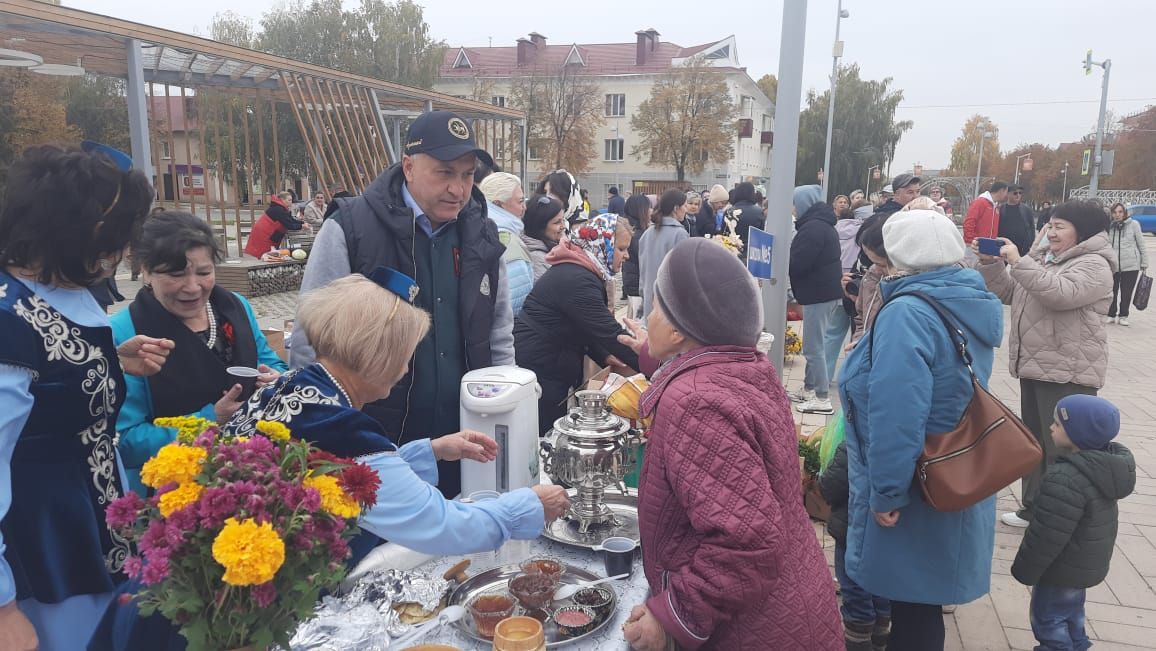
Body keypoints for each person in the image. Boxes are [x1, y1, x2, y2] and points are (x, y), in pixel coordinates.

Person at [91, 273, 571, 650]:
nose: (407, 370)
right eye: (406, 356)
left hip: (171, 588)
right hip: (216, 616)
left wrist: (430, 450)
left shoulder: (296, 384)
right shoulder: (343, 429)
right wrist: (527, 506)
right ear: (382, 358)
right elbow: (441, 524)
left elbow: (347, 478)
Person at [620, 239, 842, 651]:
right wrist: (652, 356)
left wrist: (672, 616)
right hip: (791, 601)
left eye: (654, 307)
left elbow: (746, 543)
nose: (647, 317)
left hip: (755, 629)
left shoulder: (694, 404)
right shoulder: (745, 366)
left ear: (677, 330)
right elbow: (702, 363)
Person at [289, 110, 515, 500]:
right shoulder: (351, 227)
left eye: (467, 175)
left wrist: (506, 409)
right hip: (374, 444)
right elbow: (310, 339)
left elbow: (499, 333)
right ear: (408, 167)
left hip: (466, 442)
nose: (458, 189)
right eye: (445, 173)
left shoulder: (483, 233)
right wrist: (330, 429)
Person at [0, 145, 174, 650]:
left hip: (98, 525)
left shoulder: (69, 286)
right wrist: (4, 605)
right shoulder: (7, 322)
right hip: (43, 554)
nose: (119, 255)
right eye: (114, 239)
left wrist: (110, 361)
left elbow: (51, 385)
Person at [838, 210, 1003, 650]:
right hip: (951, 466)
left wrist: (888, 492)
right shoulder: (963, 296)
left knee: (912, 609)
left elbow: (898, 412)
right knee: (922, 604)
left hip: (917, 482)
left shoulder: (908, 312)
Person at [111, 212, 288, 494]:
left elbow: (268, 361)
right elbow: (126, 441)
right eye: (176, 274)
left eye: (204, 273)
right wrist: (210, 420)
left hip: (252, 480)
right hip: (172, 498)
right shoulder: (123, 333)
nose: (193, 287)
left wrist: (276, 378)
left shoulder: (235, 307)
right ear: (145, 271)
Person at [973, 200, 1114, 528]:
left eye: (1060, 226)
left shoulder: (1095, 264)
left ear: (1084, 232)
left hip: (1069, 368)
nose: (1051, 232)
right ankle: (1033, 508)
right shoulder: (1043, 258)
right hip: (1035, 364)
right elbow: (1008, 292)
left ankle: (1063, 517)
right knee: (1035, 441)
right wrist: (991, 264)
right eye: (1049, 225)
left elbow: (1061, 294)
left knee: (1064, 446)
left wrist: (1020, 262)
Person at [1011, 395, 1135, 651]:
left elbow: (1046, 536)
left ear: (1078, 435)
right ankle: (1077, 645)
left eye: (1058, 424)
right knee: (1071, 614)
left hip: (1059, 570)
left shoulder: (1064, 478)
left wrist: (1025, 569)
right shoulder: (1105, 468)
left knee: (1048, 619)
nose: (1051, 428)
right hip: (1082, 567)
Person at [514, 221, 639, 435]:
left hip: (550, 359)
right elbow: (609, 333)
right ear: (601, 245)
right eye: (621, 249)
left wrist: (603, 354)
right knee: (543, 432)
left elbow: (583, 324)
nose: (626, 256)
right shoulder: (578, 278)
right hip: (542, 363)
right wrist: (652, 364)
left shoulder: (581, 271)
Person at [820, 442, 891, 651]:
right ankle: (879, 641)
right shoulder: (902, 445)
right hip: (886, 535)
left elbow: (830, 486)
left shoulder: (857, 441)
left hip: (852, 533)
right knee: (881, 593)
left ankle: (858, 643)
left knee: (856, 595)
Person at [788, 185, 843, 415]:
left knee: (813, 346)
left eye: (794, 203)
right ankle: (809, 388)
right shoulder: (821, 225)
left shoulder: (812, 229)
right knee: (815, 343)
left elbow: (799, 262)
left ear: (803, 204)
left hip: (818, 295)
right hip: (824, 293)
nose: (792, 208)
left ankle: (821, 398)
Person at [480, 172, 533, 314]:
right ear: (498, 204)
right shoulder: (506, 241)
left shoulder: (480, 229)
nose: (524, 208)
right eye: (520, 201)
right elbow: (516, 301)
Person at [638, 190, 690, 320]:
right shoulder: (679, 234)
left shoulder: (647, 233)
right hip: (669, 303)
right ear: (676, 208)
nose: (686, 209)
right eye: (684, 205)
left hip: (649, 298)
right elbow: (683, 273)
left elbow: (642, 269)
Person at [1107, 201, 1148, 325]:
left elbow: (1141, 244)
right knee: (1112, 291)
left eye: (1120, 212)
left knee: (1126, 292)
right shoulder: (1110, 226)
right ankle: (1111, 314)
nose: (1117, 215)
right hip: (1113, 265)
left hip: (1131, 265)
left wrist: (1144, 262)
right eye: (1115, 212)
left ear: (1125, 212)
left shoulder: (1134, 224)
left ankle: (1124, 315)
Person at [243, 191, 306, 258]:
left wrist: (302, 223)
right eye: (289, 200)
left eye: (291, 200)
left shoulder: (281, 208)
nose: (291, 202)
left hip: (269, 234)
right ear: (282, 200)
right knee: (265, 254)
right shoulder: (279, 209)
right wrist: (302, 226)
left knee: (268, 255)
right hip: (265, 235)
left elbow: (290, 220)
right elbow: (289, 224)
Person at [521, 194, 567, 283]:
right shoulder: (537, 259)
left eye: (563, 220)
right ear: (540, 227)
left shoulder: (554, 247)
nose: (563, 226)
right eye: (557, 222)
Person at [620, 194, 651, 319]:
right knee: (638, 322)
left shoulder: (631, 229)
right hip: (637, 285)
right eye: (649, 208)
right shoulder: (638, 235)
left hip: (632, 283)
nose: (651, 211)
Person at [729, 181, 766, 254]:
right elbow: (761, 234)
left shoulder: (729, 211)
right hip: (752, 251)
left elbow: (724, 233)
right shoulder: (759, 212)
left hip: (733, 250)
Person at [999, 185, 1036, 256]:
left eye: (1020, 193)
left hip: (1022, 249)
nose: (1018, 195)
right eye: (1015, 193)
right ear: (1008, 194)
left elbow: (1031, 227)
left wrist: (1030, 243)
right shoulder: (1001, 209)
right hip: (1004, 246)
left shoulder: (1026, 209)